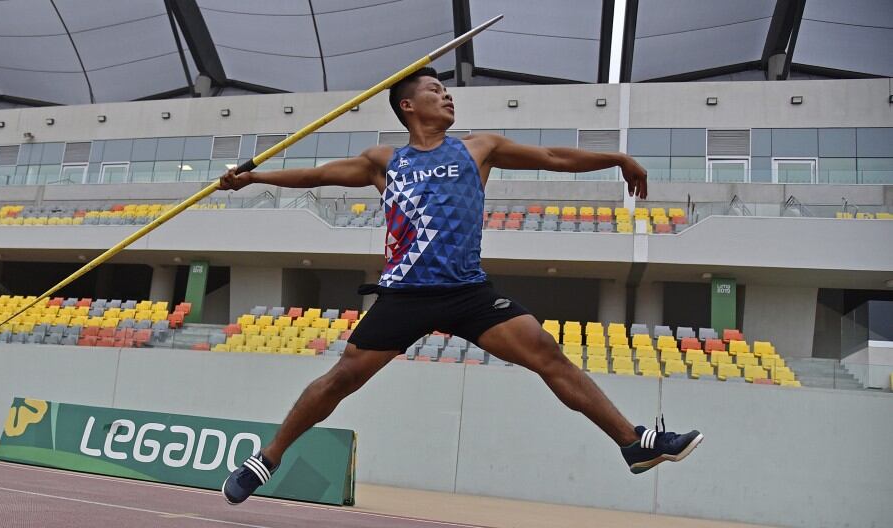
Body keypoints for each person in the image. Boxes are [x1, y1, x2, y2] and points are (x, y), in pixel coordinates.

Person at [218, 67, 702, 505]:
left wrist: (614, 157)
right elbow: (316, 175)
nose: (447, 97)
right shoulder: (383, 161)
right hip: (405, 294)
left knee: (545, 351)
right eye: (435, 90)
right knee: (341, 379)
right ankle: (270, 458)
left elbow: (553, 156)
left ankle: (632, 442)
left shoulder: (478, 148)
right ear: (408, 105)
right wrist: (253, 177)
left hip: (467, 291)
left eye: (447, 91)